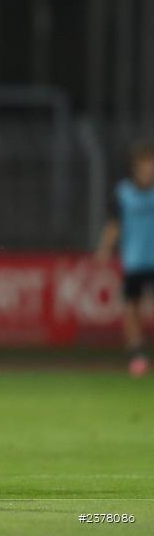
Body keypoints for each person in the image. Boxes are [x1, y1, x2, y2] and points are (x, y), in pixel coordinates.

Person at [96, 140, 154, 377]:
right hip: (134, 260)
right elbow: (114, 225)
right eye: (145, 165)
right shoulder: (124, 193)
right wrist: (104, 249)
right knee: (132, 307)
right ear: (136, 166)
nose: (149, 169)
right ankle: (136, 353)